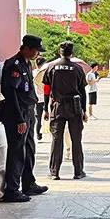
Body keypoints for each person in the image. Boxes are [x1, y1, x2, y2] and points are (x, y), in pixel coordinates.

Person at [0, 35, 50, 202]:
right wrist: (19, 119)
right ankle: (12, 189)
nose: (37, 54)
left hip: (28, 111)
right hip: (17, 114)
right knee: (16, 151)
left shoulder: (27, 64)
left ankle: (29, 183)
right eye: (35, 51)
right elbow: (10, 92)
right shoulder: (13, 65)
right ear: (26, 48)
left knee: (29, 148)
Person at [43, 42, 89, 180]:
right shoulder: (77, 68)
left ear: (59, 52)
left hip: (57, 106)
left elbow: (46, 90)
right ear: (72, 53)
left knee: (56, 139)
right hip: (74, 107)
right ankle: (78, 171)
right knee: (76, 139)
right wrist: (84, 110)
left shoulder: (51, 67)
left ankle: (54, 172)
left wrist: (45, 109)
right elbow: (82, 91)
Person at [33, 57, 47, 141]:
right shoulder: (45, 73)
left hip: (36, 99)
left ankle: (38, 135)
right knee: (47, 116)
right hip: (45, 98)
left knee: (38, 118)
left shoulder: (33, 73)